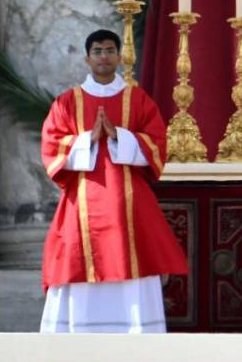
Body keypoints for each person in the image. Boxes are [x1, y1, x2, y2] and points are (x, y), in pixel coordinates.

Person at [39, 29, 186, 333]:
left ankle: (135, 335)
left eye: (109, 50)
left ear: (119, 56)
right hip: (81, 200)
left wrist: (119, 135)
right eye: (97, 51)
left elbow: (158, 142)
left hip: (128, 202)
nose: (104, 57)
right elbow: (51, 147)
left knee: (133, 255)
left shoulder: (139, 100)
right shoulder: (67, 103)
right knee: (75, 257)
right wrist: (87, 139)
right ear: (87, 58)